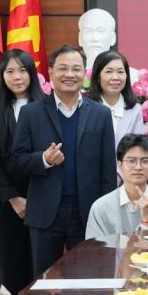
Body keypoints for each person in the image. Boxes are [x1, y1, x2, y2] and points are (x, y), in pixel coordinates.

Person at [12, 45, 117, 275]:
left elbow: (108, 170)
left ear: (84, 74)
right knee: (45, 282)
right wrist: (44, 159)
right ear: (50, 72)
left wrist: (107, 213)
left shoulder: (101, 114)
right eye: (63, 68)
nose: (70, 74)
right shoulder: (31, 113)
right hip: (46, 214)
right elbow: (17, 161)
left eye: (76, 69)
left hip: (88, 213)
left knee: (90, 279)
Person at [0, 49, 43, 294]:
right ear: (2, 76)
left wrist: (35, 197)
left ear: (31, 74)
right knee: (12, 266)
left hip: (42, 198)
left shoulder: (46, 106)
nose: (16, 77)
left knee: (40, 266)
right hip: (8, 203)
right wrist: (12, 197)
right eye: (10, 71)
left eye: (22, 70)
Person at [85, 135, 148, 238]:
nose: (138, 167)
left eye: (145, 161)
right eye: (131, 161)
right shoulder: (100, 208)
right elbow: (93, 247)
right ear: (119, 165)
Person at [86, 50, 146, 151]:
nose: (115, 77)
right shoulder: (86, 108)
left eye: (120, 72)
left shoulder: (135, 110)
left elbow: (137, 149)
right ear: (97, 77)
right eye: (109, 71)